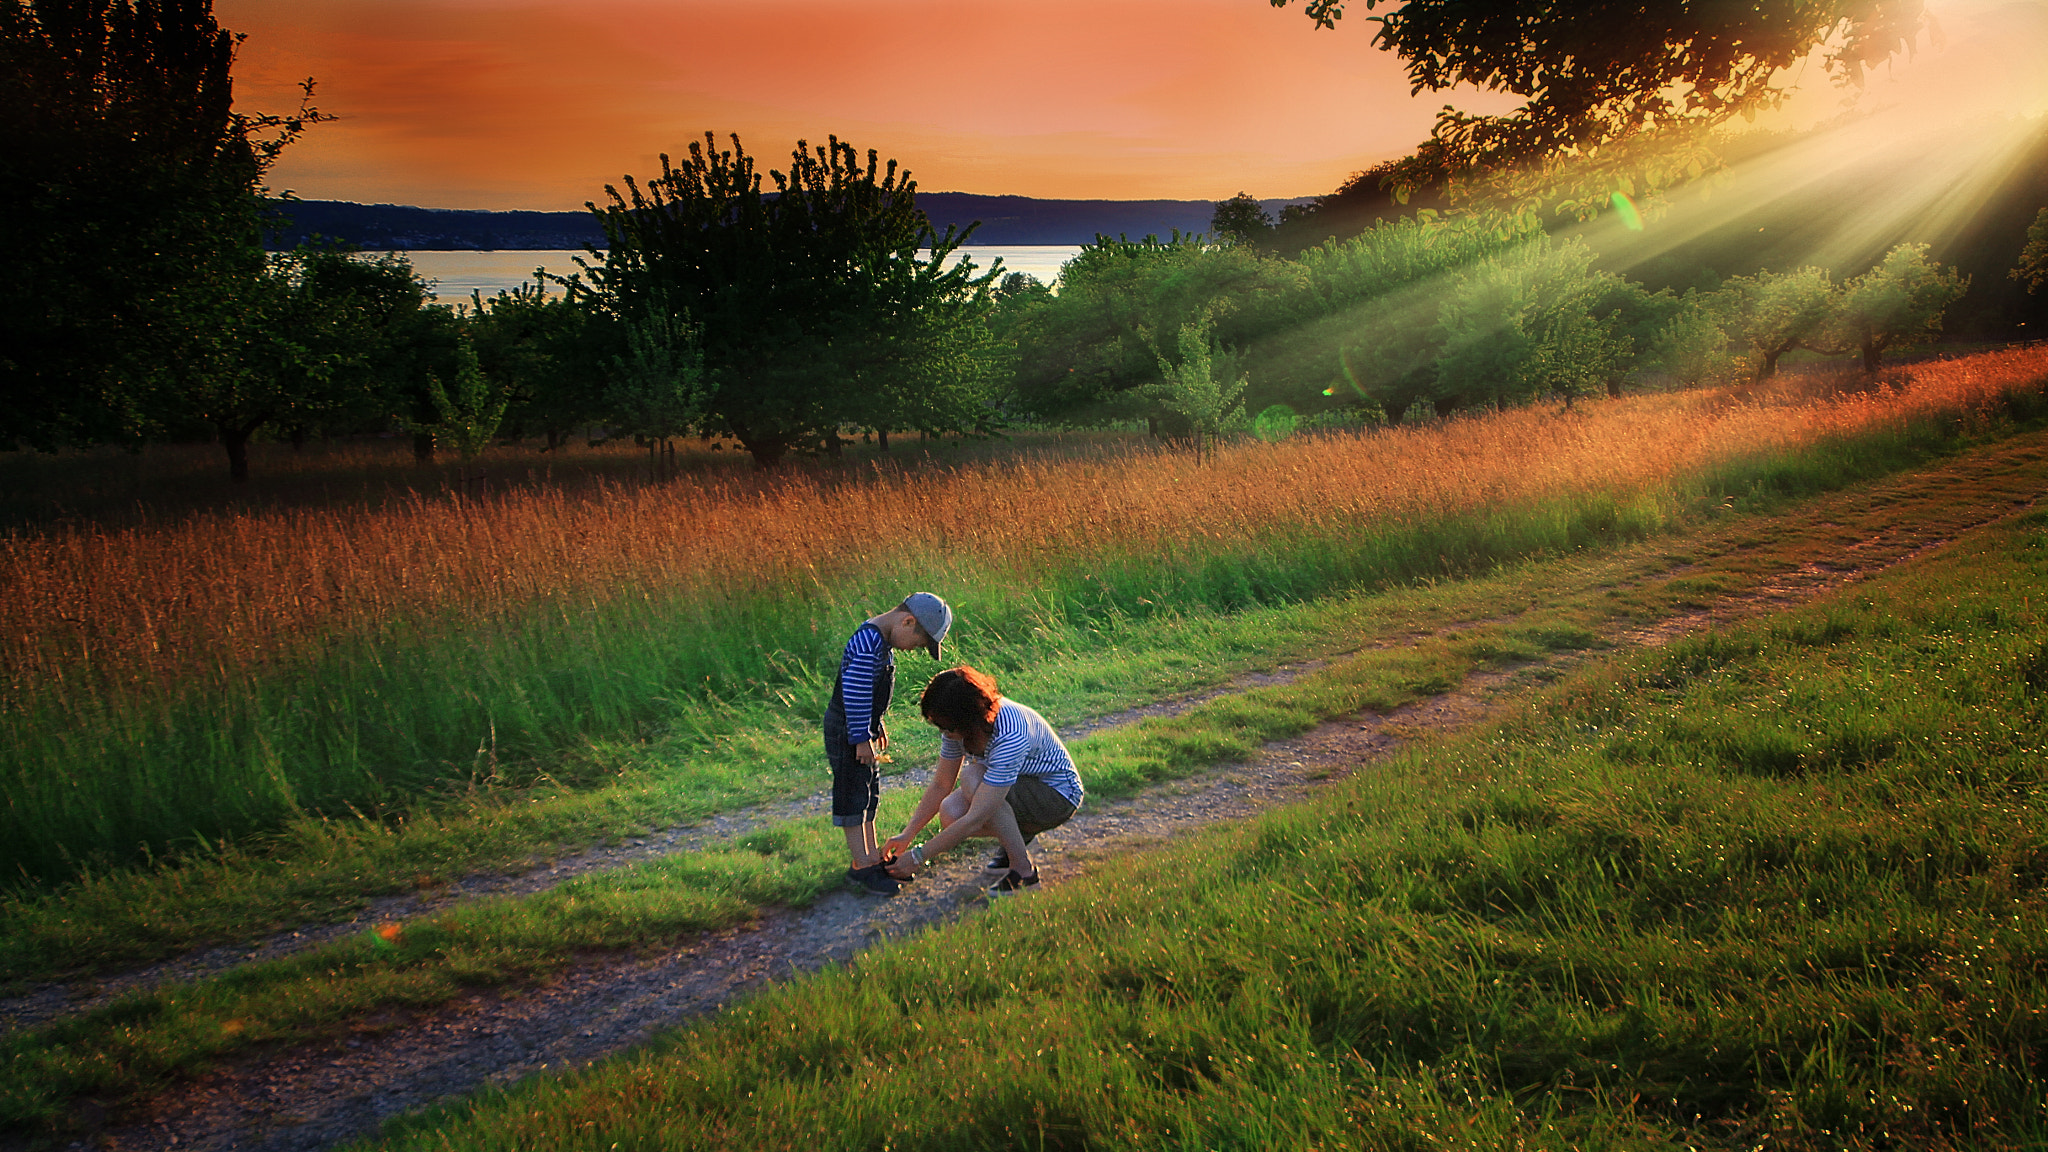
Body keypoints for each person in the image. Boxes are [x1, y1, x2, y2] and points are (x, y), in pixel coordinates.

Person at [884, 665, 1083, 894]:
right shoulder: (960, 727)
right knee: (950, 811)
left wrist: (918, 856)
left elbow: (977, 817)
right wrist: (908, 834)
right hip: (1022, 786)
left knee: (972, 778)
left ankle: (1024, 873)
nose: (944, 733)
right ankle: (1017, 840)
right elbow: (941, 784)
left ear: (966, 720)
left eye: (945, 726)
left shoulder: (1010, 733)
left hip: (1058, 795)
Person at [827, 592, 952, 896]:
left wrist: (876, 724)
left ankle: (870, 859)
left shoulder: (882, 643)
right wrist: (860, 737)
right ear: (907, 621)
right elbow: (855, 694)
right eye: (919, 642)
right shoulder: (869, 643)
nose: (914, 649)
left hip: (861, 728)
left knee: (868, 794)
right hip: (847, 731)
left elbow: (870, 693)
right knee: (854, 794)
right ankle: (861, 868)